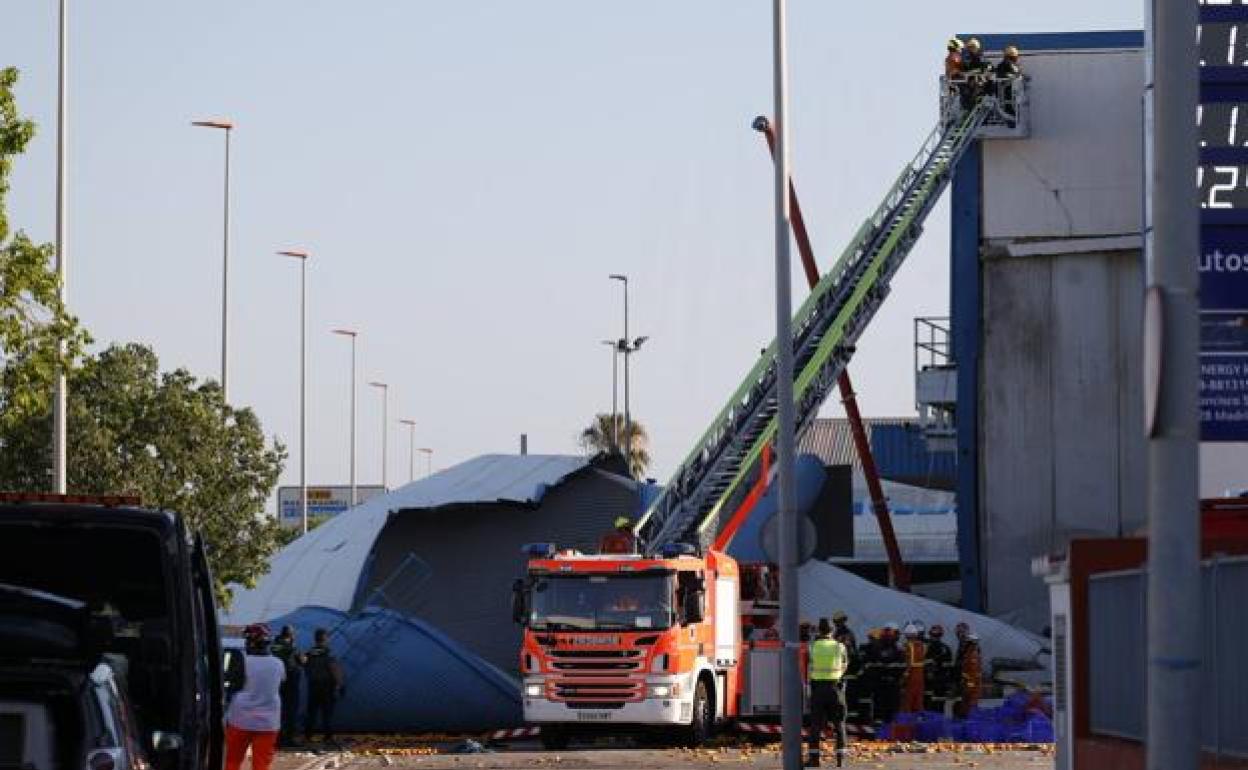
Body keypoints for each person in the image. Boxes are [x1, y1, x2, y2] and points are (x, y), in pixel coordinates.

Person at [225, 624, 285, 770]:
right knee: (261, 765)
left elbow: (231, 684)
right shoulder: (278, 663)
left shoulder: (243, 662)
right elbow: (281, 681)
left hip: (240, 720)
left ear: (250, 643)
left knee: (232, 761)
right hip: (269, 723)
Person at [806, 618, 848, 768]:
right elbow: (845, 665)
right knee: (839, 724)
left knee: (815, 725)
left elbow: (808, 667)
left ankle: (814, 759)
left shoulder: (812, 646)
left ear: (819, 630)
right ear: (833, 630)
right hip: (835, 689)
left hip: (818, 689)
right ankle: (841, 759)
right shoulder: (839, 646)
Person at [303, 628, 345, 747]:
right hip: (327, 686)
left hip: (313, 685)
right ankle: (328, 737)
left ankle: (308, 736)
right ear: (326, 638)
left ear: (315, 639)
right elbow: (334, 669)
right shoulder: (328, 652)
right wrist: (340, 684)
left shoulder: (309, 653)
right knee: (327, 712)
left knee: (312, 712)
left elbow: (304, 666)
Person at [271, 625, 304, 747]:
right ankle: (289, 738)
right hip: (290, 682)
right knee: (291, 710)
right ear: (290, 635)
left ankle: (278, 738)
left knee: (278, 711)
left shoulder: (273, 646)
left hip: (276, 682)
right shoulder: (291, 647)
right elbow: (302, 660)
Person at [953, 623, 983, 718]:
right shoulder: (966, 648)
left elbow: (972, 670)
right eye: (959, 632)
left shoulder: (972, 652)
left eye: (962, 632)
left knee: (969, 702)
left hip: (969, 682)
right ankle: (961, 716)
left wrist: (969, 684)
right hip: (964, 679)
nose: (960, 635)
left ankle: (966, 718)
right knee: (963, 701)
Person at [924, 624, 953, 711]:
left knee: (938, 704)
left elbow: (948, 667)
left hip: (939, 681)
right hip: (929, 681)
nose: (934, 637)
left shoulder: (945, 649)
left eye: (937, 635)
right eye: (933, 635)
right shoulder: (925, 647)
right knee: (928, 704)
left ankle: (937, 718)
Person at [899, 624, 927, 714]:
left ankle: (907, 720)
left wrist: (903, 678)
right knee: (918, 700)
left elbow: (908, 664)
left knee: (908, 700)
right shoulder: (922, 646)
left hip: (911, 676)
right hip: (920, 676)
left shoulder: (907, 646)